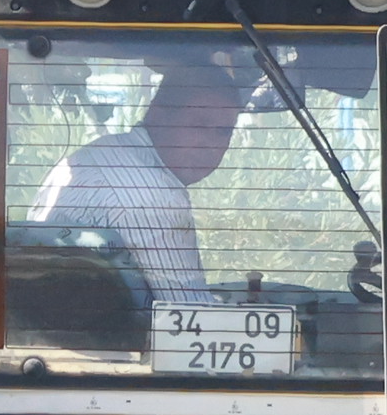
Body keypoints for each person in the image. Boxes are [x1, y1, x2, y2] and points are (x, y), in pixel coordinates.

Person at [25, 61, 247, 305]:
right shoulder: (152, 195)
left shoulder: (99, 155)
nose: (212, 143)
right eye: (199, 125)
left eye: (224, 131)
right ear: (158, 113)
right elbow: (189, 318)